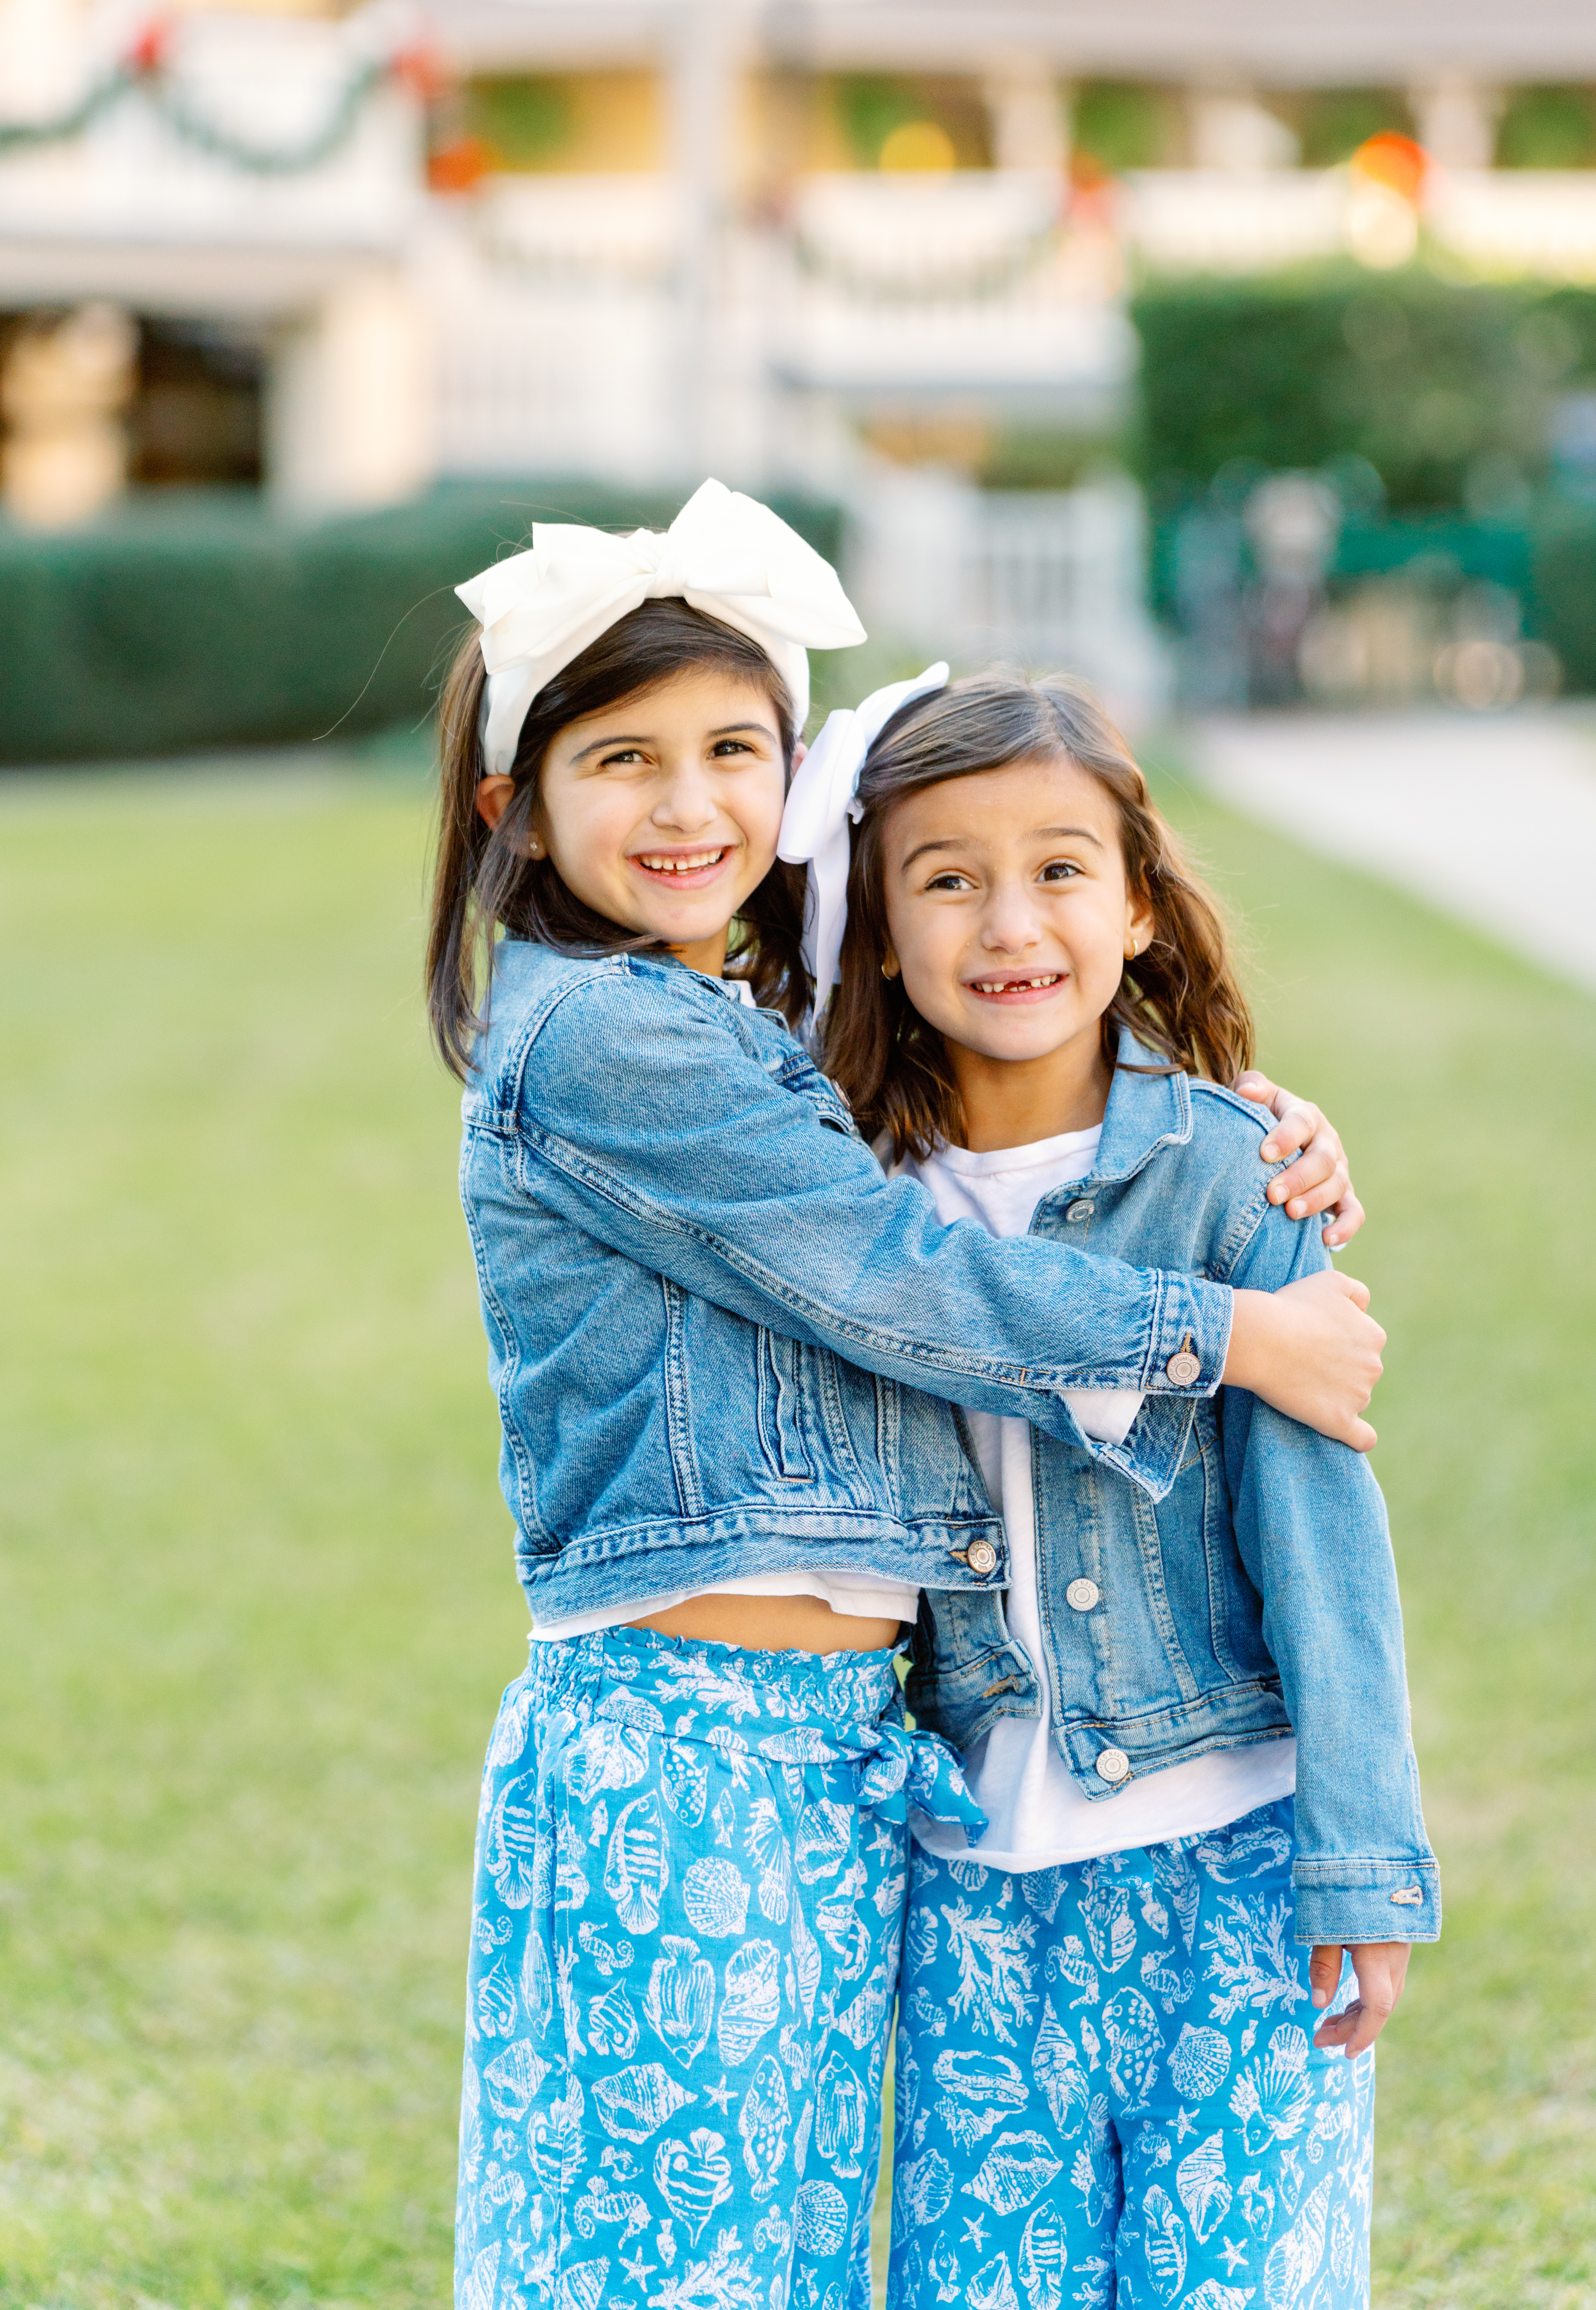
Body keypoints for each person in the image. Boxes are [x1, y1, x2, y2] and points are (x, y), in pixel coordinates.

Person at [428, 484, 1385, 2310]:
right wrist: (1225, 1329)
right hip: (693, 1744)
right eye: (621, 760)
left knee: (759, 2260)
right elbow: (897, 1274)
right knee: (674, 2268)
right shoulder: (618, 1038)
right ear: (513, 812)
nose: (689, 802)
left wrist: (1231, 1120)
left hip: (828, 1755)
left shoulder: (733, 1031)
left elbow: (987, 1076)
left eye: (732, 751)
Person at [804, 666, 1439, 2310]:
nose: (1008, 922)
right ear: (874, 925)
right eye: (945, 878)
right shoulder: (845, 1200)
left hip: (1229, 1861)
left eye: (1061, 869)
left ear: (1141, 906)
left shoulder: (1235, 1174)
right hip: (967, 1882)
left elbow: (1325, 1544)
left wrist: (1358, 1865)